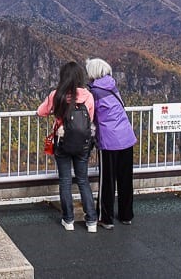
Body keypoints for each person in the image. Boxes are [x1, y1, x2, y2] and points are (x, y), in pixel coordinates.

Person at [37, 61, 97, 233]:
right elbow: (90, 118)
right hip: (83, 144)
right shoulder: (88, 96)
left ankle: (68, 220)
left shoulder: (57, 95)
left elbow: (41, 111)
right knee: (83, 180)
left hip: (62, 142)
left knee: (65, 181)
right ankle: (91, 221)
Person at [86, 58, 137, 229]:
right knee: (125, 178)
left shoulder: (94, 92)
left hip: (109, 141)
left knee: (107, 180)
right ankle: (126, 215)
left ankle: (106, 218)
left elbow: (91, 115)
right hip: (127, 137)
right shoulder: (112, 86)